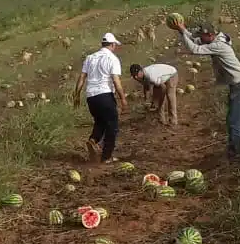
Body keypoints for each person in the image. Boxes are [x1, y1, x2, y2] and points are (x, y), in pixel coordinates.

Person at [167, 17, 240, 159]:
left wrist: (181, 31)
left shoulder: (219, 46)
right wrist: (183, 30)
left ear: (210, 35)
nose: (200, 39)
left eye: (202, 36)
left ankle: (234, 152)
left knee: (234, 119)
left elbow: (195, 49)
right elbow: (196, 40)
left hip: (239, 85)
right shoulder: (214, 39)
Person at [73, 33, 128, 163]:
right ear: (113, 45)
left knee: (100, 121)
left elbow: (82, 77)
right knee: (112, 126)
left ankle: (93, 140)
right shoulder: (112, 59)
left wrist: (77, 95)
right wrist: (123, 99)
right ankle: (106, 157)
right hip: (105, 95)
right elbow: (116, 81)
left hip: (91, 96)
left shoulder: (90, 57)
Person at [129, 62, 179, 126]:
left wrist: (158, 100)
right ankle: (161, 119)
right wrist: (146, 100)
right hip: (159, 79)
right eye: (133, 75)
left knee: (169, 96)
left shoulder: (151, 76)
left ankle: (173, 121)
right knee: (156, 100)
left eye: (136, 74)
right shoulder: (139, 77)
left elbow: (162, 88)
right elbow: (146, 86)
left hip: (171, 74)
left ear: (141, 71)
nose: (135, 77)